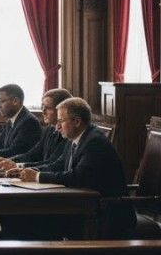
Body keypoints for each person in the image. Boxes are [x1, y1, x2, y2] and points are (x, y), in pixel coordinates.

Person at [16, 97, 136, 239]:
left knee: (27, 222)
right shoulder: (75, 138)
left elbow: (77, 177)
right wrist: (28, 172)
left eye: (61, 121)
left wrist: (37, 177)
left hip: (105, 212)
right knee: (22, 219)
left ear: (77, 122)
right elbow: (57, 165)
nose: (57, 127)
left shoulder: (94, 142)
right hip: (84, 206)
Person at [0, 88, 73, 172]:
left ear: (61, 110)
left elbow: (53, 163)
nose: (43, 111)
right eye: (42, 107)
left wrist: (18, 166)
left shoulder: (69, 133)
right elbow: (33, 154)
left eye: (48, 108)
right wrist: (9, 161)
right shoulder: (50, 129)